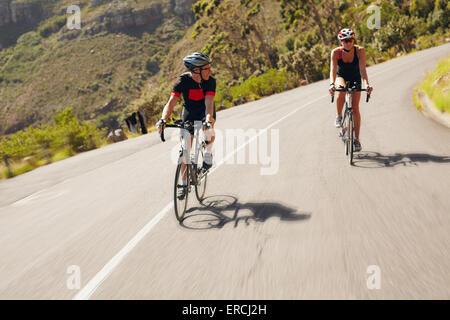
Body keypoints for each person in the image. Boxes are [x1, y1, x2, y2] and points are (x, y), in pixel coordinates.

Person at [156, 52, 216, 199]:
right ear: (197, 70)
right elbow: (171, 102)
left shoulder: (210, 81)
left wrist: (208, 119)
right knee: (185, 150)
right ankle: (183, 183)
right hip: (189, 112)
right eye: (207, 68)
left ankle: (207, 155)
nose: (211, 70)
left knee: (209, 126)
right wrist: (163, 119)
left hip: (204, 110)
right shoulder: (182, 82)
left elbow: (209, 102)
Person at [329, 28, 373, 152]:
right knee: (340, 89)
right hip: (341, 77)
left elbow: (363, 70)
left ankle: (356, 140)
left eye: (350, 40)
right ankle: (338, 116)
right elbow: (332, 70)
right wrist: (331, 84)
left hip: (355, 77)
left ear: (353, 40)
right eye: (345, 41)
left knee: (355, 108)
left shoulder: (360, 51)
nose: (348, 43)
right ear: (341, 42)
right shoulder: (336, 53)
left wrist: (367, 84)